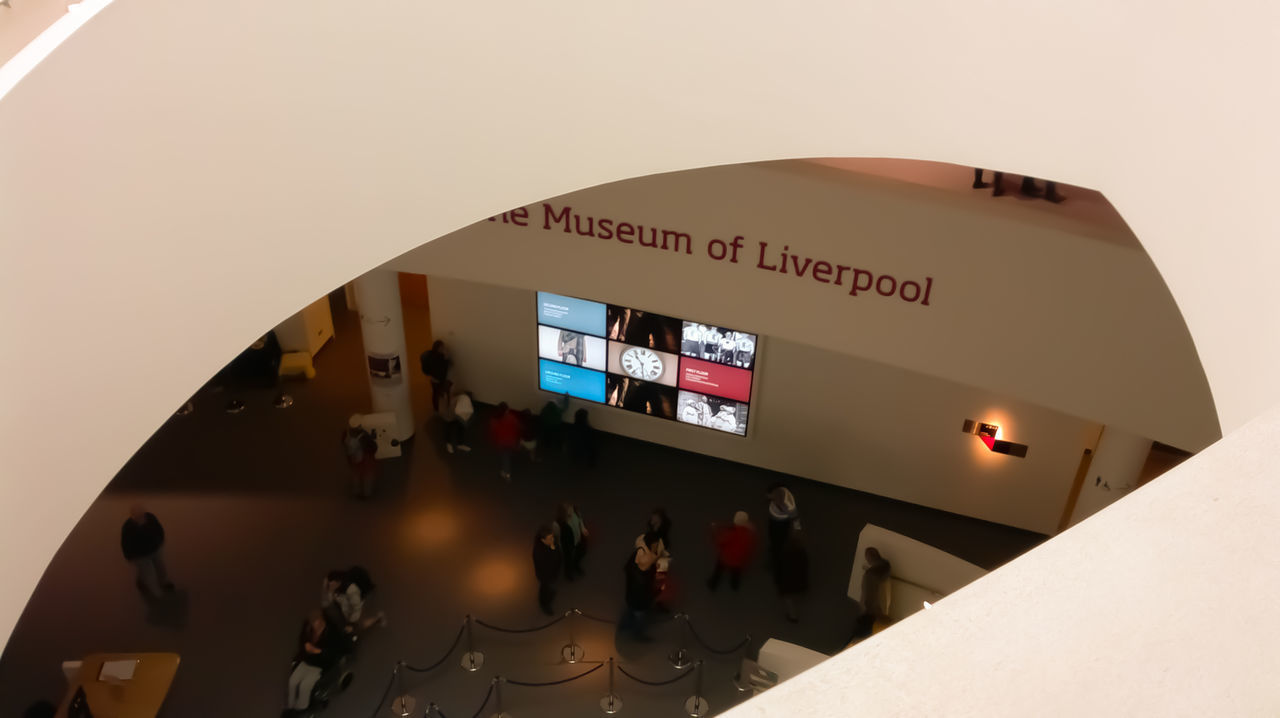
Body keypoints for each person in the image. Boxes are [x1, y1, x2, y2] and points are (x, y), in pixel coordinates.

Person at [283, 609, 345, 716]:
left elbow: (333, 654)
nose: (313, 626)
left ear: (321, 621)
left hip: (319, 666)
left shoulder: (331, 633)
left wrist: (318, 651)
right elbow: (303, 640)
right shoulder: (309, 629)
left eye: (315, 622)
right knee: (293, 682)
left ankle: (300, 709)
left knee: (304, 686)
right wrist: (306, 645)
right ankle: (291, 706)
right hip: (307, 661)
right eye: (312, 623)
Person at [121, 504, 174, 597]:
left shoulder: (151, 518)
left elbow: (159, 529)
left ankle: (163, 582)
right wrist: (129, 556)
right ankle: (156, 592)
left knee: (160, 567)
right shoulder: (128, 527)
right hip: (140, 555)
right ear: (132, 516)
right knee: (148, 573)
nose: (140, 517)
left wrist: (160, 541)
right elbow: (126, 543)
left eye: (142, 515)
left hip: (154, 549)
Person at [621, 532, 662, 640]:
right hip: (640, 603)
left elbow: (640, 539)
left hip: (630, 598)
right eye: (655, 545)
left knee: (629, 612)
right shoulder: (650, 559)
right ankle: (637, 635)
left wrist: (643, 544)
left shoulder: (635, 558)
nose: (656, 547)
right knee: (639, 618)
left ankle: (623, 626)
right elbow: (653, 556)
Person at [321, 567, 386, 632]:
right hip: (346, 612)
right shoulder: (334, 589)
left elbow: (356, 608)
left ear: (338, 582)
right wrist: (330, 591)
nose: (330, 585)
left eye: (332, 583)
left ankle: (378, 619)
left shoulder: (351, 590)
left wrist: (351, 624)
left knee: (360, 625)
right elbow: (328, 602)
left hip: (355, 611)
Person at [707, 511, 756, 591]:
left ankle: (713, 584)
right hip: (739, 560)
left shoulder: (730, 533)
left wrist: (713, 531)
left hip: (726, 557)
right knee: (736, 573)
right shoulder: (749, 534)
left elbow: (719, 541)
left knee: (718, 570)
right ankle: (734, 586)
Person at [851, 547, 893, 638]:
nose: (867, 559)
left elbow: (869, 597)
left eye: (868, 556)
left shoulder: (871, 574)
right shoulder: (878, 572)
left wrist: (869, 610)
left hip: (870, 615)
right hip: (872, 615)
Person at [774, 531, 810, 623]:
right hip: (799, 581)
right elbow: (805, 566)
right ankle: (794, 613)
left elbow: (779, 569)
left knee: (789, 600)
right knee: (796, 597)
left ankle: (793, 616)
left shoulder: (784, 554)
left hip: (787, 584)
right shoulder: (802, 552)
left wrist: (778, 582)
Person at [342, 415, 379, 498]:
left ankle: (356, 491)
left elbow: (344, 444)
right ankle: (367, 493)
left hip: (353, 459)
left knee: (356, 475)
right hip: (366, 460)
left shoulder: (347, 434)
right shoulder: (364, 437)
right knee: (368, 477)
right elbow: (373, 447)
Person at [765, 483, 800, 562]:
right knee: (772, 534)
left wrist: (797, 529)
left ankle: (777, 556)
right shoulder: (778, 492)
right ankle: (774, 546)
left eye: (771, 497)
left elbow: (795, 518)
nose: (769, 498)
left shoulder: (789, 506)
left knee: (779, 539)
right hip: (773, 519)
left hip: (781, 523)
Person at [532, 525, 561, 615]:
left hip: (552, 572)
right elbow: (548, 564)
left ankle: (548, 592)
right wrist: (553, 550)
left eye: (552, 537)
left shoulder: (551, 543)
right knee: (544, 588)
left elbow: (559, 555)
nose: (552, 540)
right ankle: (544, 604)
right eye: (550, 538)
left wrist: (553, 548)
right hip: (544, 574)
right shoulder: (538, 552)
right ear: (543, 540)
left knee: (547, 586)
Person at [488, 402, 521, 480]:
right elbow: (518, 428)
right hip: (511, 442)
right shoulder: (511, 417)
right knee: (507, 456)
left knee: (505, 457)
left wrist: (494, 441)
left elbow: (493, 432)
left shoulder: (494, 420)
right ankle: (507, 474)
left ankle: (506, 473)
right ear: (506, 410)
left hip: (501, 443)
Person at [557, 503, 588, 580]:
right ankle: (568, 574)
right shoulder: (561, 523)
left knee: (581, 552)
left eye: (571, 509)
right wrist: (561, 546)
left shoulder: (576, 514)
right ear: (564, 513)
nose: (571, 512)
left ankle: (575, 565)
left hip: (578, 540)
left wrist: (583, 528)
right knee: (568, 559)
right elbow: (559, 536)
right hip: (568, 544)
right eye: (568, 511)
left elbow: (580, 521)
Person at [419, 340, 452, 414]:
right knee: (438, 394)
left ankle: (436, 408)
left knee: (435, 393)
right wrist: (446, 359)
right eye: (442, 347)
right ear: (438, 348)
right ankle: (438, 409)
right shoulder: (438, 357)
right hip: (437, 379)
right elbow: (442, 369)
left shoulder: (431, 355)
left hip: (433, 379)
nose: (443, 348)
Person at [441, 383, 474, 454]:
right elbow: (444, 408)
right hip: (450, 414)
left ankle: (460, 444)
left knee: (460, 428)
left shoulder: (455, 391)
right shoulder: (444, 396)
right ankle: (449, 443)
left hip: (456, 412)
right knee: (450, 428)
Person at [538, 394, 570, 459]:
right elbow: (565, 407)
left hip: (546, 427)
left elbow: (541, 417)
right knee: (558, 437)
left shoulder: (544, 410)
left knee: (547, 437)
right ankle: (559, 447)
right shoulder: (558, 410)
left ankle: (547, 445)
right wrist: (567, 397)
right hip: (556, 427)